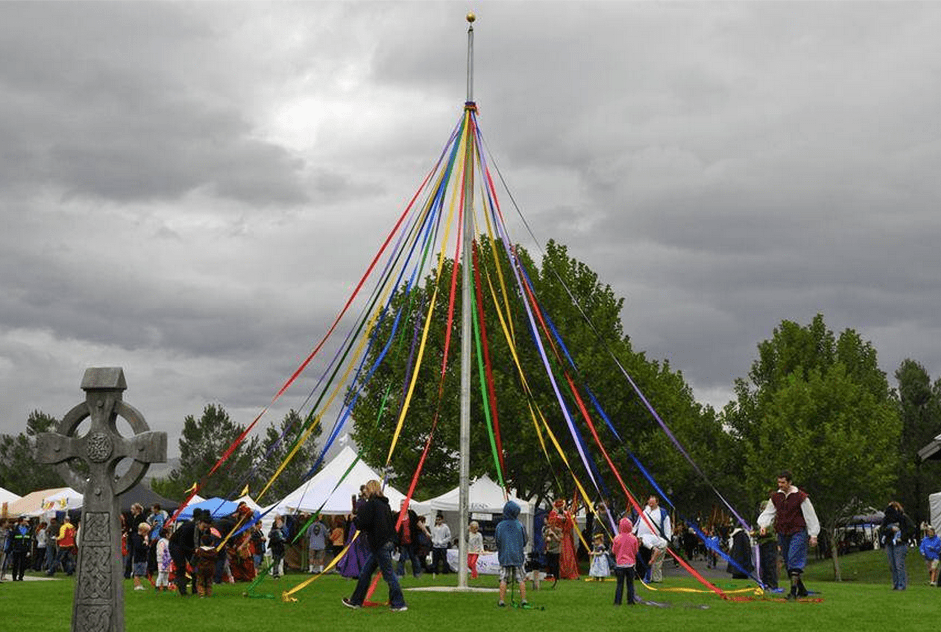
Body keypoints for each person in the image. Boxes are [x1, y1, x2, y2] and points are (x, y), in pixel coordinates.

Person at [341, 479, 408, 612]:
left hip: (379, 544)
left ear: (369, 489)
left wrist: (353, 517)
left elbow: (362, 524)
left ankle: (399, 603)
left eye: (365, 489)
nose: (364, 492)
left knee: (389, 574)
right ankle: (356, 601)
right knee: (365, 573)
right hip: (387, 542)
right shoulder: (385, 505)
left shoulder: (371, 505)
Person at [756, 470, 820, 600]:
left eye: (783, 482)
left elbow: (810, 516)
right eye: (779, 482)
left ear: (789, 482)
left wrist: (813, 534)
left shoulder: (801, 497)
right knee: (788, 560)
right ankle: (802, 590)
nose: (780, 485)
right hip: (783, 532)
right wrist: (763, 525)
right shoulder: (776, 497)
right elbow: (769, 513)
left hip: (798, 531)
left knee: (794, 558)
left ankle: (793, 592)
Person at [495, 500, 528, 608]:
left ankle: (501, 600)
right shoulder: (520, 525)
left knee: (504, 579)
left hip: (505, 556)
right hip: (517, 556)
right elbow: (525, 540)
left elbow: (498, 540)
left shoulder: (500, 526)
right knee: (521, 579)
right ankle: (523, 600)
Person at [634, 495, 670, 582]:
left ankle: (652, 577)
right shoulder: (644, 511)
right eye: (649, 502)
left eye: (652, 503)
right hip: (641, 538)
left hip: (654, 540)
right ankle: (639, 575)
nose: (651, 504)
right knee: (640, 557)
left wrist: (667, 539)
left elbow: (667, 526)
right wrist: (633, 531)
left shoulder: (662, 513)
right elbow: (638, 522)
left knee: (652, 560)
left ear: (657, 503)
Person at [880, 501, 915, 590]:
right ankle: (895, 583)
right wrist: (890, 530)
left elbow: (911, 529)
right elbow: (882, 530)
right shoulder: (886, 519)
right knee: (892, 565)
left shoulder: (904, 518)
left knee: (899, 564)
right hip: (890, 543)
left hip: (900, 544)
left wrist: (903, 537)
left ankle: (902, 584)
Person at [548, 499, 579, 579]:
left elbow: (572, 523)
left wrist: (567, 520)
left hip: (566, 537)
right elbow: (551, 524)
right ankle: (559, 573)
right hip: (558, 536)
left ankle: (568, 572)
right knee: (559, 554)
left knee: (567, 554)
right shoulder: (553, 513)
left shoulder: (566, 514)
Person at [611, 517, 639, 605]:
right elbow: (636, 551)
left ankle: (617, 602)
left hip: (619, 565)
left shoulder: (617, 538)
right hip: (630, 565)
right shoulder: (634, 538)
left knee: (619, 584)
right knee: (630, 584)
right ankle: (630, 601)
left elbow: (614, 551)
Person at [395, 501, 422, 578]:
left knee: (414, 557)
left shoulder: (412, 514)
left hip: (412, 540)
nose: (402, 506)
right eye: (401, 505)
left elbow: (418, 522)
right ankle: (400, 574)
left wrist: (425, 531)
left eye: (403, 505)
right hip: (401, 541)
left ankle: (417, 573)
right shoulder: (397, 516)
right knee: (402, 558)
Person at [755, 502, 778, 589]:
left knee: (770, 564)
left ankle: (772, 585)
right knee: (763, 564)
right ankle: (764, 583)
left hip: (770, 543)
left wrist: (755, 533)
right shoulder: (761, 520)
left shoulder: (771, 519)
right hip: (763, 543)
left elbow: (768, 531)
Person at [8, 516, 31, 581]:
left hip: (24, 548)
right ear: (21, 521)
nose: (26, 522)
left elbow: (28, 539)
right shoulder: (15, 528)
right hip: (16, 548)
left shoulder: (28, 528)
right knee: (15, 563)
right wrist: (11, 547)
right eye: (25, 521)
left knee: (23, 563)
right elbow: (11, 538)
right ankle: (14, 577)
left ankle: (21, 577)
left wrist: (28, 549)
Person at [131, 522, 152, 590]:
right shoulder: (137, 537)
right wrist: (146, 547)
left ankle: (139, 584)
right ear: (142, 530)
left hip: (143, 557)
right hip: (138, 558)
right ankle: (137, 585)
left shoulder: (142, 538)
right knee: (137, 573)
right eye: (146, 531)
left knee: (141, 572)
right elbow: (138, 547)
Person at [155, 527, 172, 592]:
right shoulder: (162, 542)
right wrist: (165, 558)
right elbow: (161, 552)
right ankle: (157, 585)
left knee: (166, 574)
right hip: (162, 561)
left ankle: (165, 585)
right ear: (166, 534)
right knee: (161, 574)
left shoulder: (167, 541)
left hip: (167, 560)